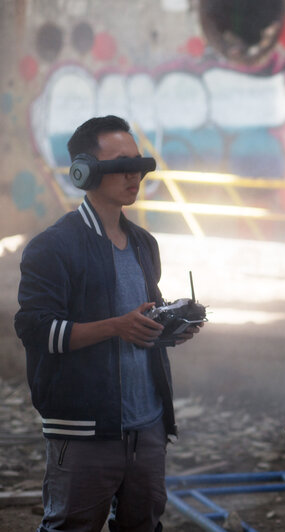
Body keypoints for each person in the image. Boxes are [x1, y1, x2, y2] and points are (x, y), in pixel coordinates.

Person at [15, 115, 201, 531]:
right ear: (84, 170)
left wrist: (167, 328)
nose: (134, 173)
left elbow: (137, 321)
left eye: (138, 162)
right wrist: (116, 326)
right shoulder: (52, 248)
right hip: (83, 432)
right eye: (121, 163)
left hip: (148, 427)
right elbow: (36, 330)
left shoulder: (143, 244)